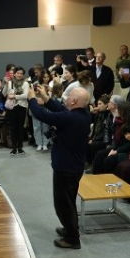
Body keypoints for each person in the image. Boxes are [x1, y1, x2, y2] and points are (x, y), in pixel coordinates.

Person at [27, 85, 91, 249]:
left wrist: (32, 98)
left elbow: (41, 114)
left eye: (69, 96)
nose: (66, 98)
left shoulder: (70, 118)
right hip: (72, 165)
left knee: (64, 204)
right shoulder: (82, 113)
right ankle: (70, 229)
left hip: (67, 167)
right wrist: (46, 98)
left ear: (74, 101)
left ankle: (72, 238)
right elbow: (61, 109)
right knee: (68, 201)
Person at [91, 101, 130, 174]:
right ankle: (95, 178)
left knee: (109, 160)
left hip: (128, 150)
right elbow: (114, 136)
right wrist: (113, 148)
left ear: (124, 111)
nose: (115, 110)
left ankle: (107, 180)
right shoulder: (118, 120)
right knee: (100, 154)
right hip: (117, 147)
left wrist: (116, 151)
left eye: (118, 109)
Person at [3, 67, 30, 156]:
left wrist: (15, 96)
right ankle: (14, 148)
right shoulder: (10, 82)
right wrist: (6, 84)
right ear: (14, 74)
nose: (19, 75)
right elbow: (4, 94)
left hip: (22, 107)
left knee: (20, 128)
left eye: (21, 73)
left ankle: (20, 147)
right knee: (13, 128)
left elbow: (26, 95)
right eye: (18, 73)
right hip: (12, 107)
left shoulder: (26, 83)